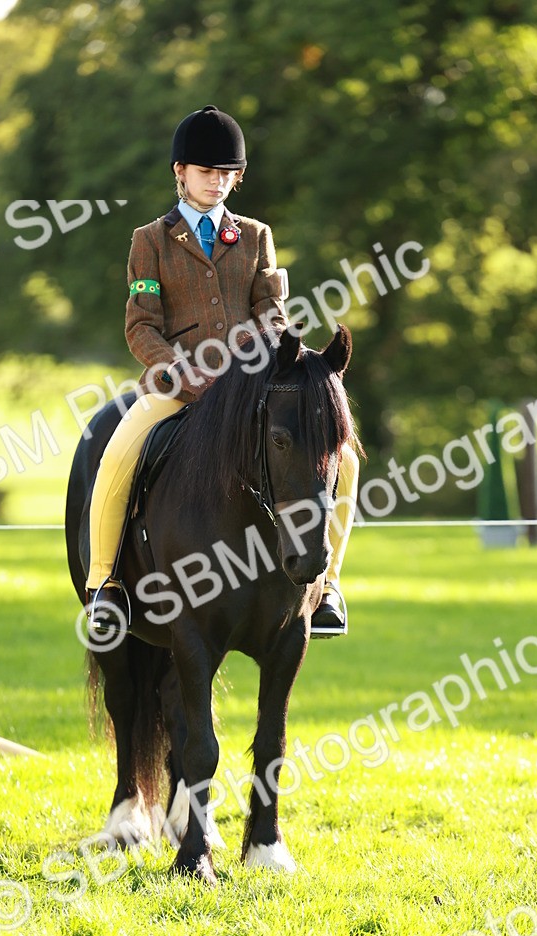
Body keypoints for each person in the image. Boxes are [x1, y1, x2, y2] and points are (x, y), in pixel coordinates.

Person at [85, 104, 358, 637]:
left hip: (249, 386)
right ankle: (106, 584)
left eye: (226, 174)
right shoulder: (150, 241)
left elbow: (272, 312)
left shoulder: (255, 236)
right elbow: (141, 325)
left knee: (342, 458)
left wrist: (273, 355)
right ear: (180, 173)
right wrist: (173, 369)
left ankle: (327, 588)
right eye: (207, 172)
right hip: (179, 386)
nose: (217, 183)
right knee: (119, 451)